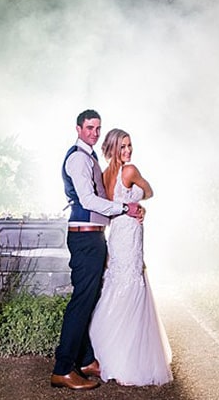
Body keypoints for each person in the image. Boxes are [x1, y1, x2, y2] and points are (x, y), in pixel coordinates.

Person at [50, 110, 142, 391]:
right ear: (78, 129)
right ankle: (63, 369)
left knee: (89, 299)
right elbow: (89, 200)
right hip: (85, 238)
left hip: (92, 237)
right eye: (89, 127)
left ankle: (86, 359)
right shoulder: (78, 158)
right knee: (81, 301)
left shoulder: (88, 156)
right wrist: (125, 208)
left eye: (97, 128)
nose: (94, 132)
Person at [88, 128, 173, 386]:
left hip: (117, 235)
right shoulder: (130, 170)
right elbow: (150, 191)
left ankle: (107, 351)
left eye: (129, 146)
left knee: (117, 285)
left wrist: (131, 208)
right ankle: (130, 359)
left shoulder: (104, 175)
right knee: (132, 283)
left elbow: (107, 209)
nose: (128, 151)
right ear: (113, 149)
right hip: (129, 236)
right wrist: (140, 202)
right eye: (122, 147)